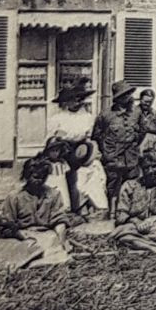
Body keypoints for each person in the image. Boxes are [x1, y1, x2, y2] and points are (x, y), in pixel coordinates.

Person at [0, 157, 73, 270]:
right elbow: (6, 227)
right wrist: (18, 234)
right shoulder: (15, 197)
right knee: (17, 252)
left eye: (43, 178)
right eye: (35, 177)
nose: (39, 181)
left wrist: (61, 241)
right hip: (21, 235)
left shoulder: (53, 195)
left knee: (52, 246)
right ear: (26, 176)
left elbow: (59, 220)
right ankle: (33, 262)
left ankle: (40, 261)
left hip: (45, 234)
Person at [43, 83, 97, 218]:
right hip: (61, 153)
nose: (77, 102)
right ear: (66, 102)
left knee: (81, 179)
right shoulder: (57, 118)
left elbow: (88, 136)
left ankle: (80, 208)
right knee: (60, 180)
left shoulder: (87, 117)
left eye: (80, 98)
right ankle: (63, 209)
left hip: (81, 153)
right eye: (73, 99)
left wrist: (81, 143)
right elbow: (51, 138)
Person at [92, 80, 145, 214]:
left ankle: (129, 211)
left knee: (132, 183)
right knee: (112, 185)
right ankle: (112, 211)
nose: (129, 97)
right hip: (113, 157)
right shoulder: (106, 115)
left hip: (131, 157)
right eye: (125, 95)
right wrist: (107, 151)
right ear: (118, 98)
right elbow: (97, 135)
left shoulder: (136, 113)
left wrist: (133, 146)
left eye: (129, 94)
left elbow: (141, 132)